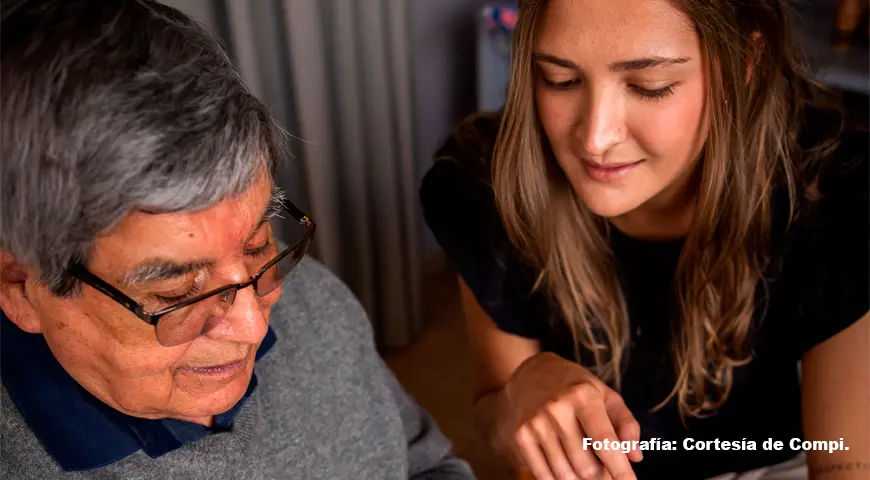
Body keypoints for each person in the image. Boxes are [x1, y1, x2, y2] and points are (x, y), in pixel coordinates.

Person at [0, 1, 475, 479]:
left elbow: (426, 465)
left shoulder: (316, 300)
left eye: (256, 245)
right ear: (20, 284)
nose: (254, 323)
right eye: (176, 291)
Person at [420, 0, 869, 479]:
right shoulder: (484, 185)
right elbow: (492, 418)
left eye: (649, 87)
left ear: (743, 67)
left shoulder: (840, 193)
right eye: (560, 79)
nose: (595, 138)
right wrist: (520, 395)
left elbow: (846, 460)